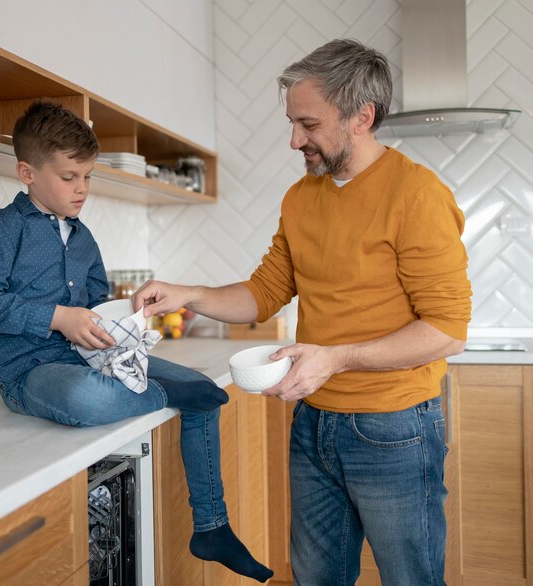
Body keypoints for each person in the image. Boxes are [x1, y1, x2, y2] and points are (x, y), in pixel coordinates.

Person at [133, 39, 472, 586]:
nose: (295, 140)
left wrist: (336, 358)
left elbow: (447, 330)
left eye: (308, 124)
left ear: (362, 117)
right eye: (292, 123)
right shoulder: (302, 197)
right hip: (313, 423)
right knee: (316, 577)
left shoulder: (417, 195)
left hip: (394, 428)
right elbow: (266, 291)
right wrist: (189, 293)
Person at [0, 100, 273, 583]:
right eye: (69, 177)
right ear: (27, 172)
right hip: (30, 375)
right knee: (85, 397)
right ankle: (169, 396)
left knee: (204, 389)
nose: (82, 188)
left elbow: (98, 303)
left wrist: (129, 321)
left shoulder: (84, 238)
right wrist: (57, 317)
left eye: (87, 176)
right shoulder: (1, 229)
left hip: (91, 361)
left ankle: (212, 525)